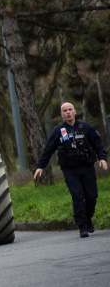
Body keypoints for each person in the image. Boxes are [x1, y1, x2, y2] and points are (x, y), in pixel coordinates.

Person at [33, 102, 108, 238]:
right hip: (70, 170)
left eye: (70, 109)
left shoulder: (85, 127)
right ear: (61, 114)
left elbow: (97, 143)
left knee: (92, 196)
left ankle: (88, 218)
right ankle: (82, 226)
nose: (68, 112)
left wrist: (102, 158)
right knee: (78, 196)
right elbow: (48, 149)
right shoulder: (58, 131)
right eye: (64, 110)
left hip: (87, 167)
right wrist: (40, 166)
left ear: (74, 111)